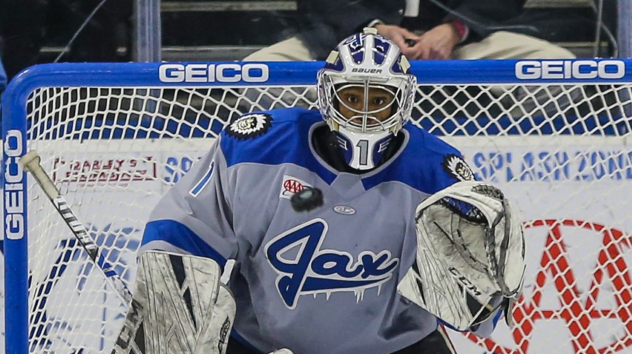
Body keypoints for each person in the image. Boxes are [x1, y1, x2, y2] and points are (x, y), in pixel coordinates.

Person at [112, 30, 525, 354]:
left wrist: (480, 297)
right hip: (259, 343)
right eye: (352, 97)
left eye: (379, 99)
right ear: (327, 96)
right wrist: (171, 313)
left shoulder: (435, 174)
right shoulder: (257, 148)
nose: (364, 112)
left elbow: (471, 312)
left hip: (396, 348)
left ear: (403, 102)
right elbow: (184, 233)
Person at [243, 0, 575, 63]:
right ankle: (317, 151)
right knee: (259, 74)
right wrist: (371, 28)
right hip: (355, 40)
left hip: (461, 39)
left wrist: (455, 28)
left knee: (556, 66)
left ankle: (503, 150)